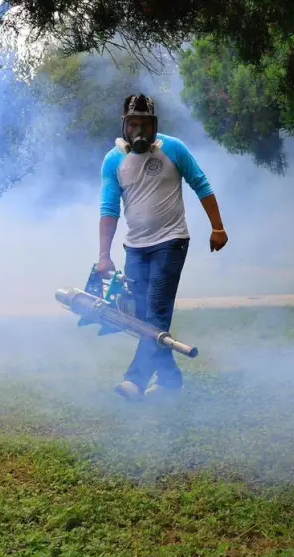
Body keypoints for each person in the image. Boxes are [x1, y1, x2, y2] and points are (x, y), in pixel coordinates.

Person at [98, 93, 229, 400]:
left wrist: (218, 227)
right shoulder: (114, 160)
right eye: (133, 125)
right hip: (135, 247)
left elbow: (201, 184)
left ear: (155, 125)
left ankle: (136, 380)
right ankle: (170, 378)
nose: (139, 131)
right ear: (124, 127)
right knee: (142, 317)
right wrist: (104, 255)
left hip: (171, 243)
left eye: (145, 124)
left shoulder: (173, 148)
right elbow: (109, 208)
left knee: (156, 310)